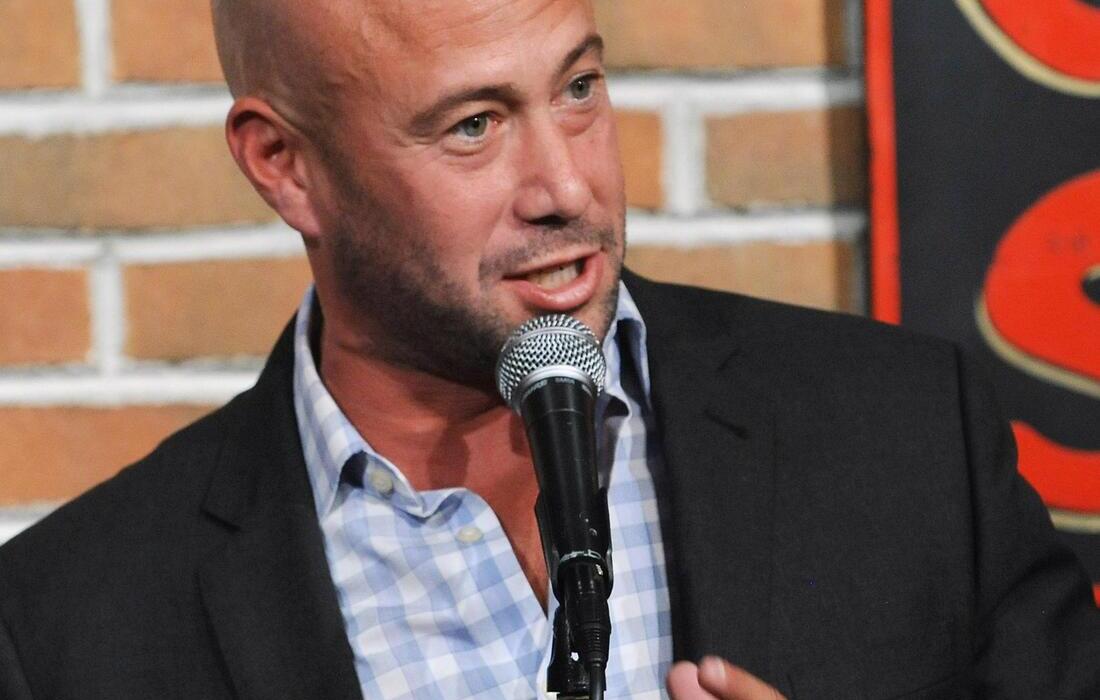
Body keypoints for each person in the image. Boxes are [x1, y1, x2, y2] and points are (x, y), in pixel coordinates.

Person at [1, 0, 1097, 698]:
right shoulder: (68, 628)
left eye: (577, 88)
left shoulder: (908, 436)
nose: (567, 186)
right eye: (472, 125)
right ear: (285, 165)